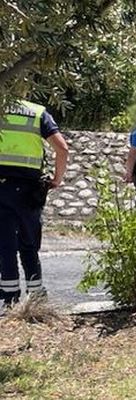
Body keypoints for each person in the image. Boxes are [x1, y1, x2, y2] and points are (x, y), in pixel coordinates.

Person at [0, 100, 69, 305]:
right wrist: (57, 178)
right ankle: (36, 296)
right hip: (29, 189)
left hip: (1, 186)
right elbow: (62, 148)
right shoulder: (37, 112)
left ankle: (10, 297)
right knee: (29, 242)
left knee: (5, 244)